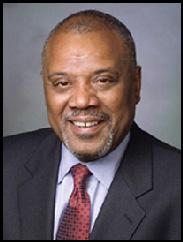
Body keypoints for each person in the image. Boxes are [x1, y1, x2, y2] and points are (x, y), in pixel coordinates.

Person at [3, 10, 181, 240]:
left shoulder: (175, 186)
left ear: (135, 84)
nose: (82, 101)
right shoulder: (7, 163)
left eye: (102, 80)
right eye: (63, 83)